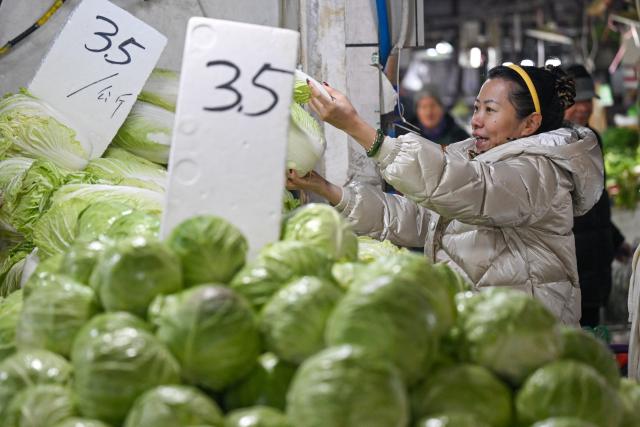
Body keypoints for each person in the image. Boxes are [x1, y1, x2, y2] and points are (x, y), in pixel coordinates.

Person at [289, 64, 604, 325]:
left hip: (528, 336)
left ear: (529, 124)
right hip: (480, 329)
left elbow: (470, 189)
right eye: (477, 107)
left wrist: (358, 128)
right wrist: (327, 189)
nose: (476, 119)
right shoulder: (470, 158)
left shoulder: (539, 173)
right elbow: (415, 218)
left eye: (490, 110)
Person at [563, 64, 631, 327]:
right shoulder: (548, 145)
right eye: (576, 100)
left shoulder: (593, 139)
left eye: (588, 100)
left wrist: (614, 239)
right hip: (569, 266)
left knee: (592, 336)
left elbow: (595, 201)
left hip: (595, 263)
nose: (583, 107)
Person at [397, 86, 469, 145]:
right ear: (417, 111)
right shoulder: (405, 137)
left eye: (433, 106)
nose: (429, 112)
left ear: (442, 108)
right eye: (423, 107)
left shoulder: (460, 137)